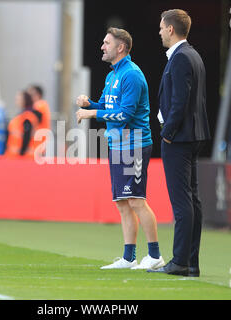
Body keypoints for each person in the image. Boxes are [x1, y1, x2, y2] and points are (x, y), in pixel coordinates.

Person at [75, 27, 164, 270]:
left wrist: (91, 112)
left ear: (120, 47)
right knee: (123, 202)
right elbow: (105, 106)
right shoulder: (112, 75)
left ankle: (155, 255)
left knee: (136, 200)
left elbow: (124, 114)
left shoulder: (132, 75)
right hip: (118, 145)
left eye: (106, 43)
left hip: (134, 144)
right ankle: (129, 257)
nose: (102, 47)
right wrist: (89, 103)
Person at [148, 9, 210, 277]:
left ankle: (180, 261)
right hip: (193, 135)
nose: (160, 31)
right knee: (193, 200)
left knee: (182, 201)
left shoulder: (181, 57)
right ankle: (191, 262)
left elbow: (180, 101)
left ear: (171, 29)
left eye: (162, 27)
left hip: (180, 137)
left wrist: (168, 132)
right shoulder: (192, 55)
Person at [5, 90, 43, 158]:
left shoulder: (28, 117)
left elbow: (27, 136)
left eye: (18, 99)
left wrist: (21, 153)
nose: (16, 101)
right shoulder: (22, 115)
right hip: (14, 155)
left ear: (24, 100)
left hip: (24, 156)